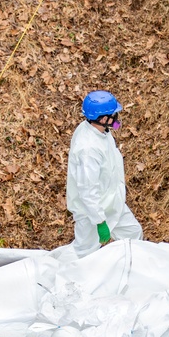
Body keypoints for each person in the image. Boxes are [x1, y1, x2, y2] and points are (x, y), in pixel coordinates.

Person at [66, 90, 144, 258]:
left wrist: (114, 125)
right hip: (91, 212)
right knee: (85, 253)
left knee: (133, 234)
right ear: (102, 119)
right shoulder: (88, 149)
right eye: (113, 115)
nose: (116, 117)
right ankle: (73, 273)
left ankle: (131, 269)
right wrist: (100, 222)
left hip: (112, 202)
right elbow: (87, 190)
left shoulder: (100, 130)